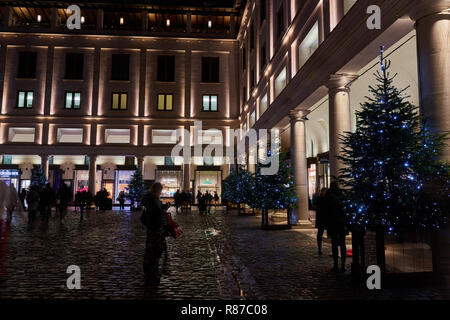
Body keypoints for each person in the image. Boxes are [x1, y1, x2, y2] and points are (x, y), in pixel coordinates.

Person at [141, 183, 169, 285]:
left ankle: (151, 272)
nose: (161, 192)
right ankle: (151, 273)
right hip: (155, 229)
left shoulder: (151, 199)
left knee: (153, 251)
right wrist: (165, 207)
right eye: (160, 191)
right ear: (157, 190)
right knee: (154, 251)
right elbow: (157, 212)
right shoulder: (153, 200)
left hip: (154, 228)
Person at [325, 182, 347, 273]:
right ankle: (343, 265)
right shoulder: (341, 195)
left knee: (334, 244)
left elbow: (326, 210)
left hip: (332, 222)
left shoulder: (329, 195)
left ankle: (336, 265)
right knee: (342, 244)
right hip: (341, 222)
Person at [315, 188, 328, 255]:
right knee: (320, 233)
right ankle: (319, 248)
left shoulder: (327, 198)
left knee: (320, 233)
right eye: (323, 191)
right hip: (321, 219)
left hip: (326, 219)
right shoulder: (319, 199)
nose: (324, 192)